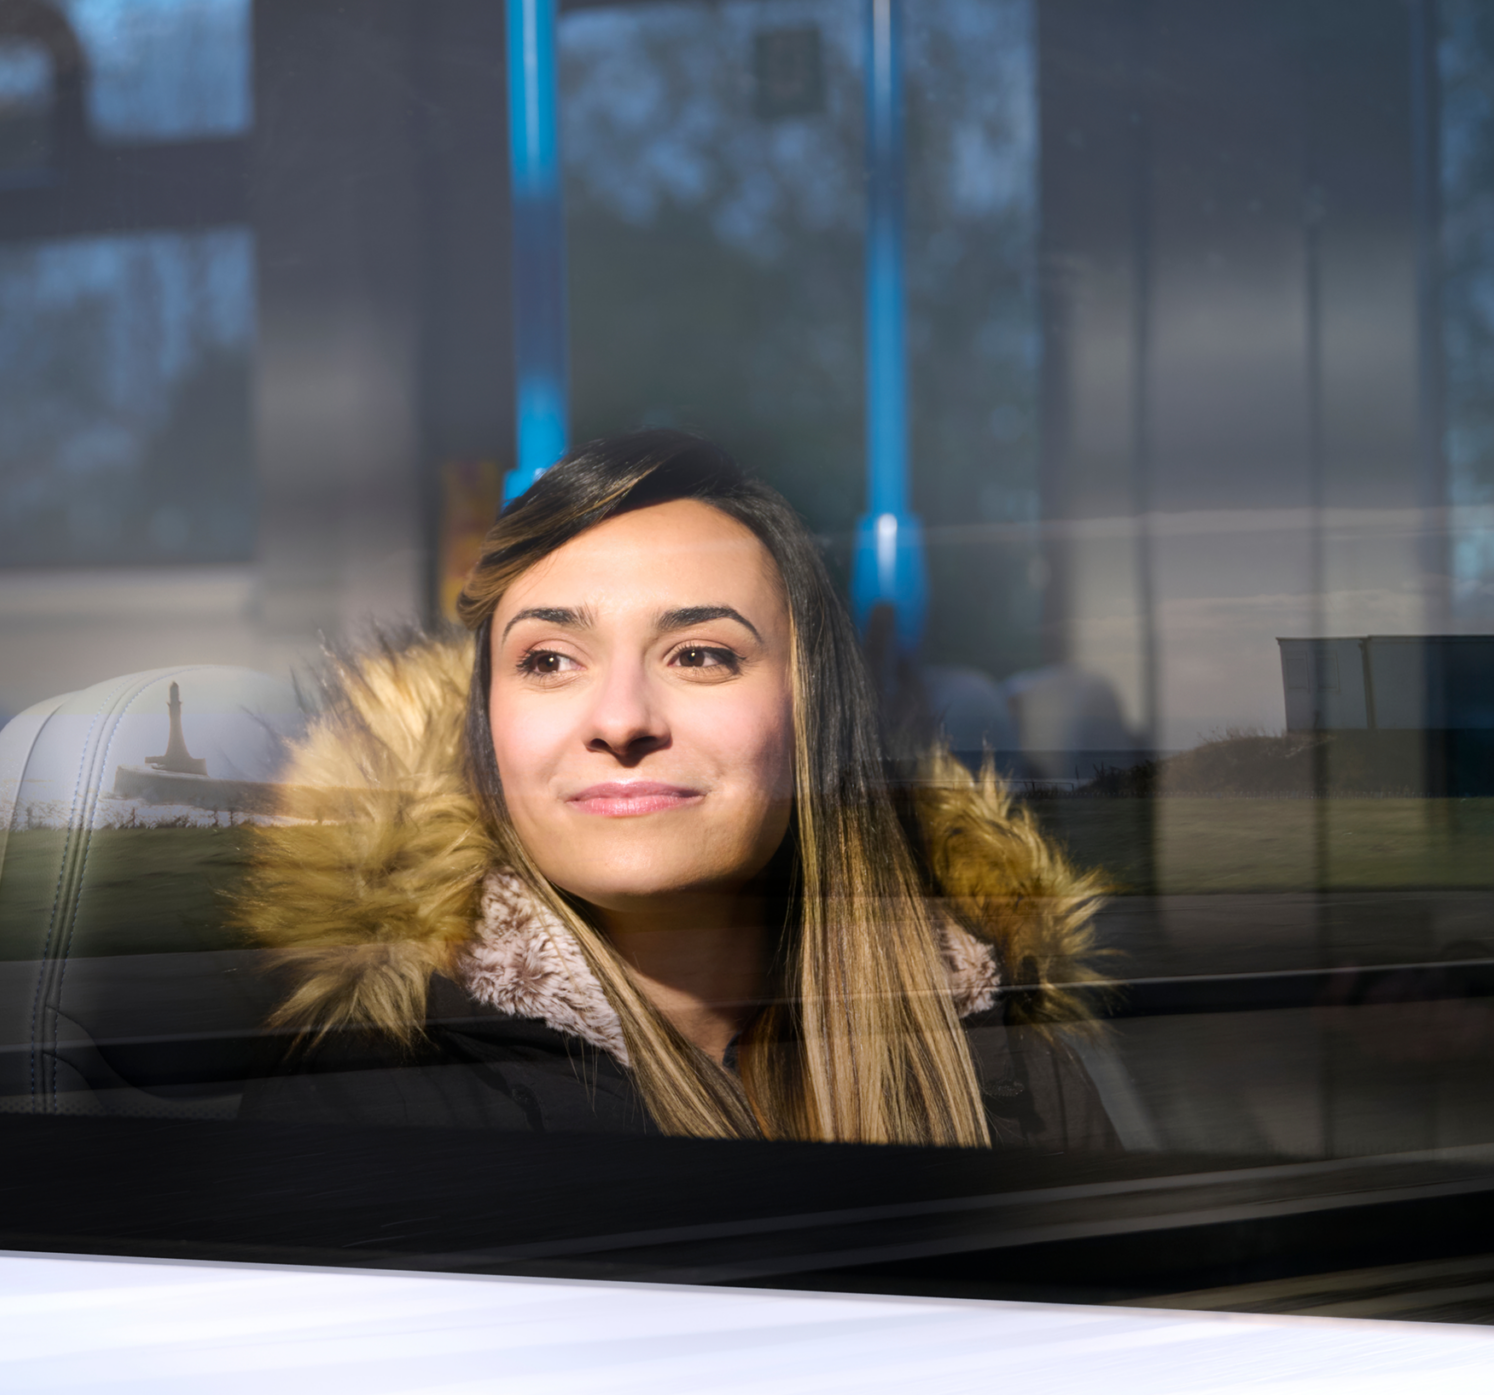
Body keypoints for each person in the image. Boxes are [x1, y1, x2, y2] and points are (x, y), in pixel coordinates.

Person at [237, 432, 1118, 1149]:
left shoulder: (1012, 1071)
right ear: (485, 731)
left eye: (700, 655)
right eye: (548, 660)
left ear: (814, 716)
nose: (621, 719)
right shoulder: (369, 1107)